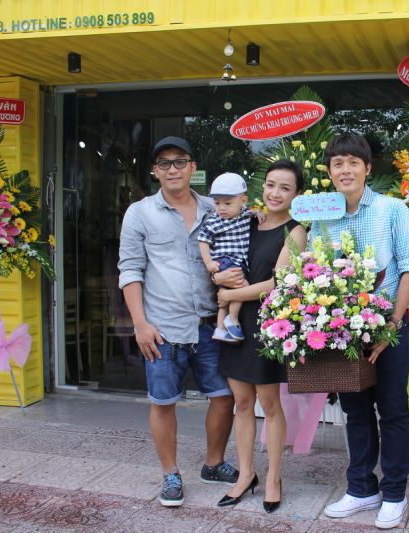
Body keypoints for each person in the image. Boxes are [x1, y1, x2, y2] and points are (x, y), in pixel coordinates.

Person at [118, 136, 238, 508]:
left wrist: (260, 217)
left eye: (180, 161)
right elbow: (130, 270)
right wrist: (140, 324)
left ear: (192, 167)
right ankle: (170, 473)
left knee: (224, 397)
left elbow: (243, 233)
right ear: (155, 171)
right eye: (165, 163)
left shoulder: (215, 207)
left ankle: (213, 464)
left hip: (211, 323)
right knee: (163, 401)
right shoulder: (140, 213)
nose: (173, 169)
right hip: (163, 327)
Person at [319, 134, 409, 530]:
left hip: (389, 328)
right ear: (329, 172)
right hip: (345, 333)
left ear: (367, 168)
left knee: (393, 411)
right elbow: (318, 268)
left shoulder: (393, 210)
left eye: (352, 162)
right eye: (337, 164)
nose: (345, 170)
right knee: (355, 411)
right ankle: (362, 488)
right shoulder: (324, 217)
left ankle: (394, 493)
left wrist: (391, 325)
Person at [213, 159, 307, 513]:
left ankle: (273, 478)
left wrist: (230, 295)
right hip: (234, 323)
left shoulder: (296, 231)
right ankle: (245, 474)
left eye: (285, 187)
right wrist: (218, 280)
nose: (275, 193)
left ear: (296, 194)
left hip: (267, 324)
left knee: (268, 404)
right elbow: (222, 257)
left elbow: (277, 283)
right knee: (241, 403)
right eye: (270, 185)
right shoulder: (246, 222)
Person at [197, 172, 252, 343]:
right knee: (242, 286)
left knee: (227, 294)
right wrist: (208, 262)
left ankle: (220, 329)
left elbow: (253, 212)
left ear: (243, 201)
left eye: (227, 203)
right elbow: (203, 241)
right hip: (225, 261)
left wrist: (259, 214)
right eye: (217, 203)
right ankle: (232, 319)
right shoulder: (214, 221)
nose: (221, 208)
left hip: (238, 261)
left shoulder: (245, 214)